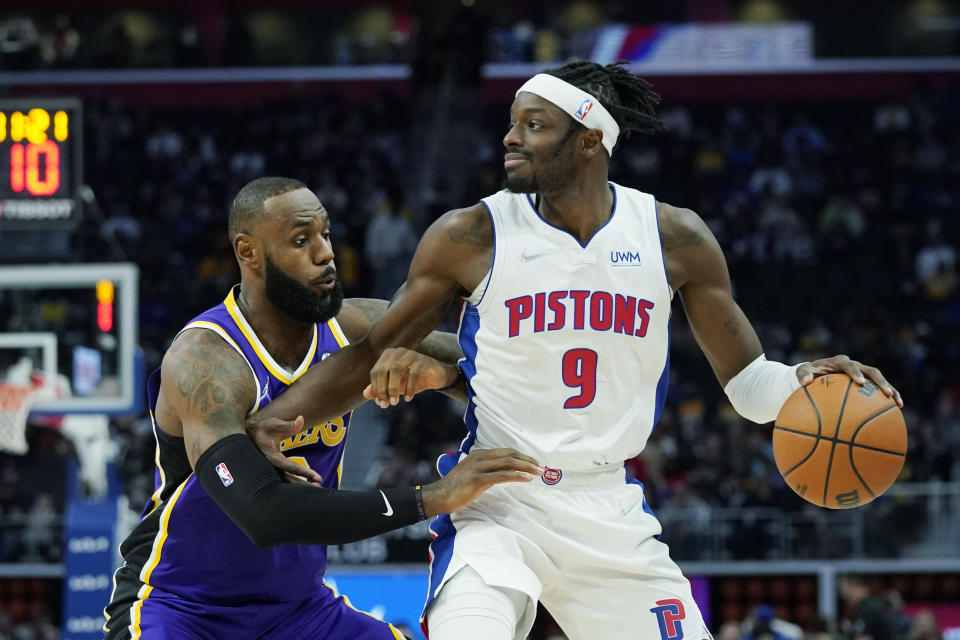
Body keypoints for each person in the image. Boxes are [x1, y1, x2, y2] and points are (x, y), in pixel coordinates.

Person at [255, 62, 903, 640]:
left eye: (533, 125)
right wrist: (275, 422)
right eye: (512, 123)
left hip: (607, 509)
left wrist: (805, 384)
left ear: (590, 141)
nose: (511, 138)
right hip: (498, 499)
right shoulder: (471, 234)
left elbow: (748, 385)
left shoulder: (673, 237)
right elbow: (370, 352)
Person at [102, 177, 542, 640]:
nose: (325, 253)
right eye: (300, 240)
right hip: (183, 609)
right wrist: (432, 497)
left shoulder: (354, 327)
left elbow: (497, 376)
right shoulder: (206, 360)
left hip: (300, 610)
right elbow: (264, 514)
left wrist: (444, 377)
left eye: (325, 234)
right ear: (248, 253)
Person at [838, 574, 896, 640]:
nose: (844, 594)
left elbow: (863, 638)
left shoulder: (865, 609)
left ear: (852, 585)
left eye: (844, 588)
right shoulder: (875, 603)